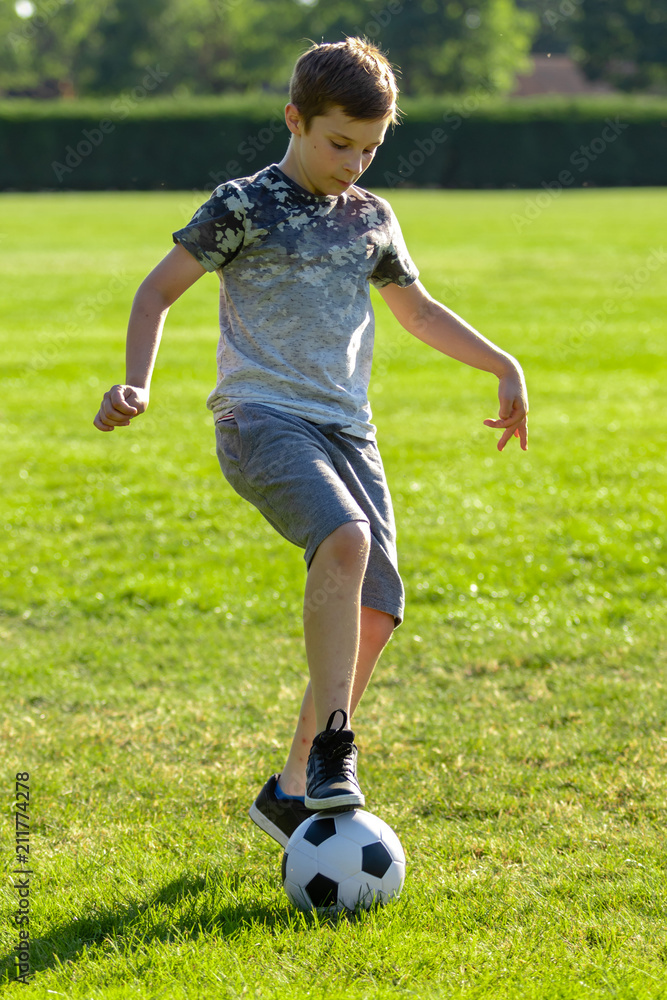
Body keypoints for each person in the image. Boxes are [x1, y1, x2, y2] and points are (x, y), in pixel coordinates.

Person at [94, 37, 528, 848]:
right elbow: (156, 292)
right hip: (259, 418)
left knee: (378, 604)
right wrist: (137, 383)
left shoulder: (371, 217)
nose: (354, 164)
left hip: (347, 430)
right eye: (338, 144)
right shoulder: (242, 205)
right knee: (345, 538)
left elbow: (415, 309)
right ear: (294, 119)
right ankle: (335, 747)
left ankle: (291, 789)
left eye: (370, 148)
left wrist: (501, 362)